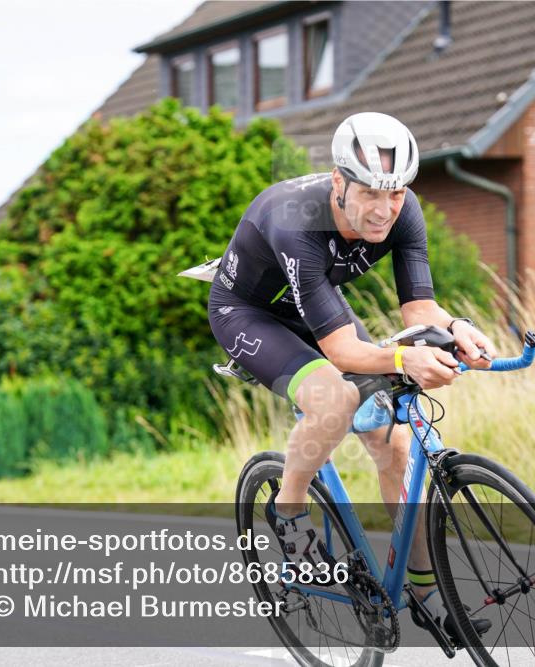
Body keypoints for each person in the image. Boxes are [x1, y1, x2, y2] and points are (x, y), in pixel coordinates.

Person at [207, 112, 497, 642]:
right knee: (334, 399)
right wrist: (405, 360)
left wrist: (457, 329)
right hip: (248, 314)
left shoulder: (402, 211)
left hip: (314, 305)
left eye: (396, 193)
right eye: (370, 193)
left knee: (397, 447)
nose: (385, 209)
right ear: (338, 182)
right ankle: (290, 513)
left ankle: (428, 597)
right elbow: (342, 350)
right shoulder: (296, 219)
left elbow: (419, 309)